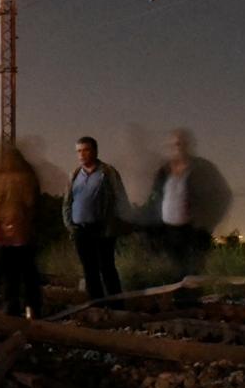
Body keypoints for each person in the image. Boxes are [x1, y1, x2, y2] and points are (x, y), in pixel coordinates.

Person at [142, 128, 231, 280]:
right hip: (168, 232)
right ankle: (177, 302)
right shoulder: (163, 171)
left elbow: (223, 195)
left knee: (191, 275)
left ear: (189, 145)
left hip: (193, 233)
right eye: (175, 144)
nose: (178, 147)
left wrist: (207, 222)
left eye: (182, 143)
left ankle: (190, 302)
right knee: (172, 274)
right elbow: (154, 197)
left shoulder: (203, 168)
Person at [0, 139, 44, 317]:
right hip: (21, 233)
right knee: (26, 273)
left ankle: (2, 307)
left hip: (3, 235)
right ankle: (30, 308)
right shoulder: (27, 178)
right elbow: (33, 204)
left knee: (4, 274)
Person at [65, 135, 127, 301]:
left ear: (95, 151)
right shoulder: (75, 174)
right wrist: (70, 225)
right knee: (89, 269)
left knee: (106, 267)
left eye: (86, 150)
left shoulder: (107, 173)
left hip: (102, 228)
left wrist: (114, 226)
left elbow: (121, 199)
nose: (82, 155)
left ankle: (116, 304)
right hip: (81, 229)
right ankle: (96, 304)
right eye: (79, 151)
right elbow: (68, 202)